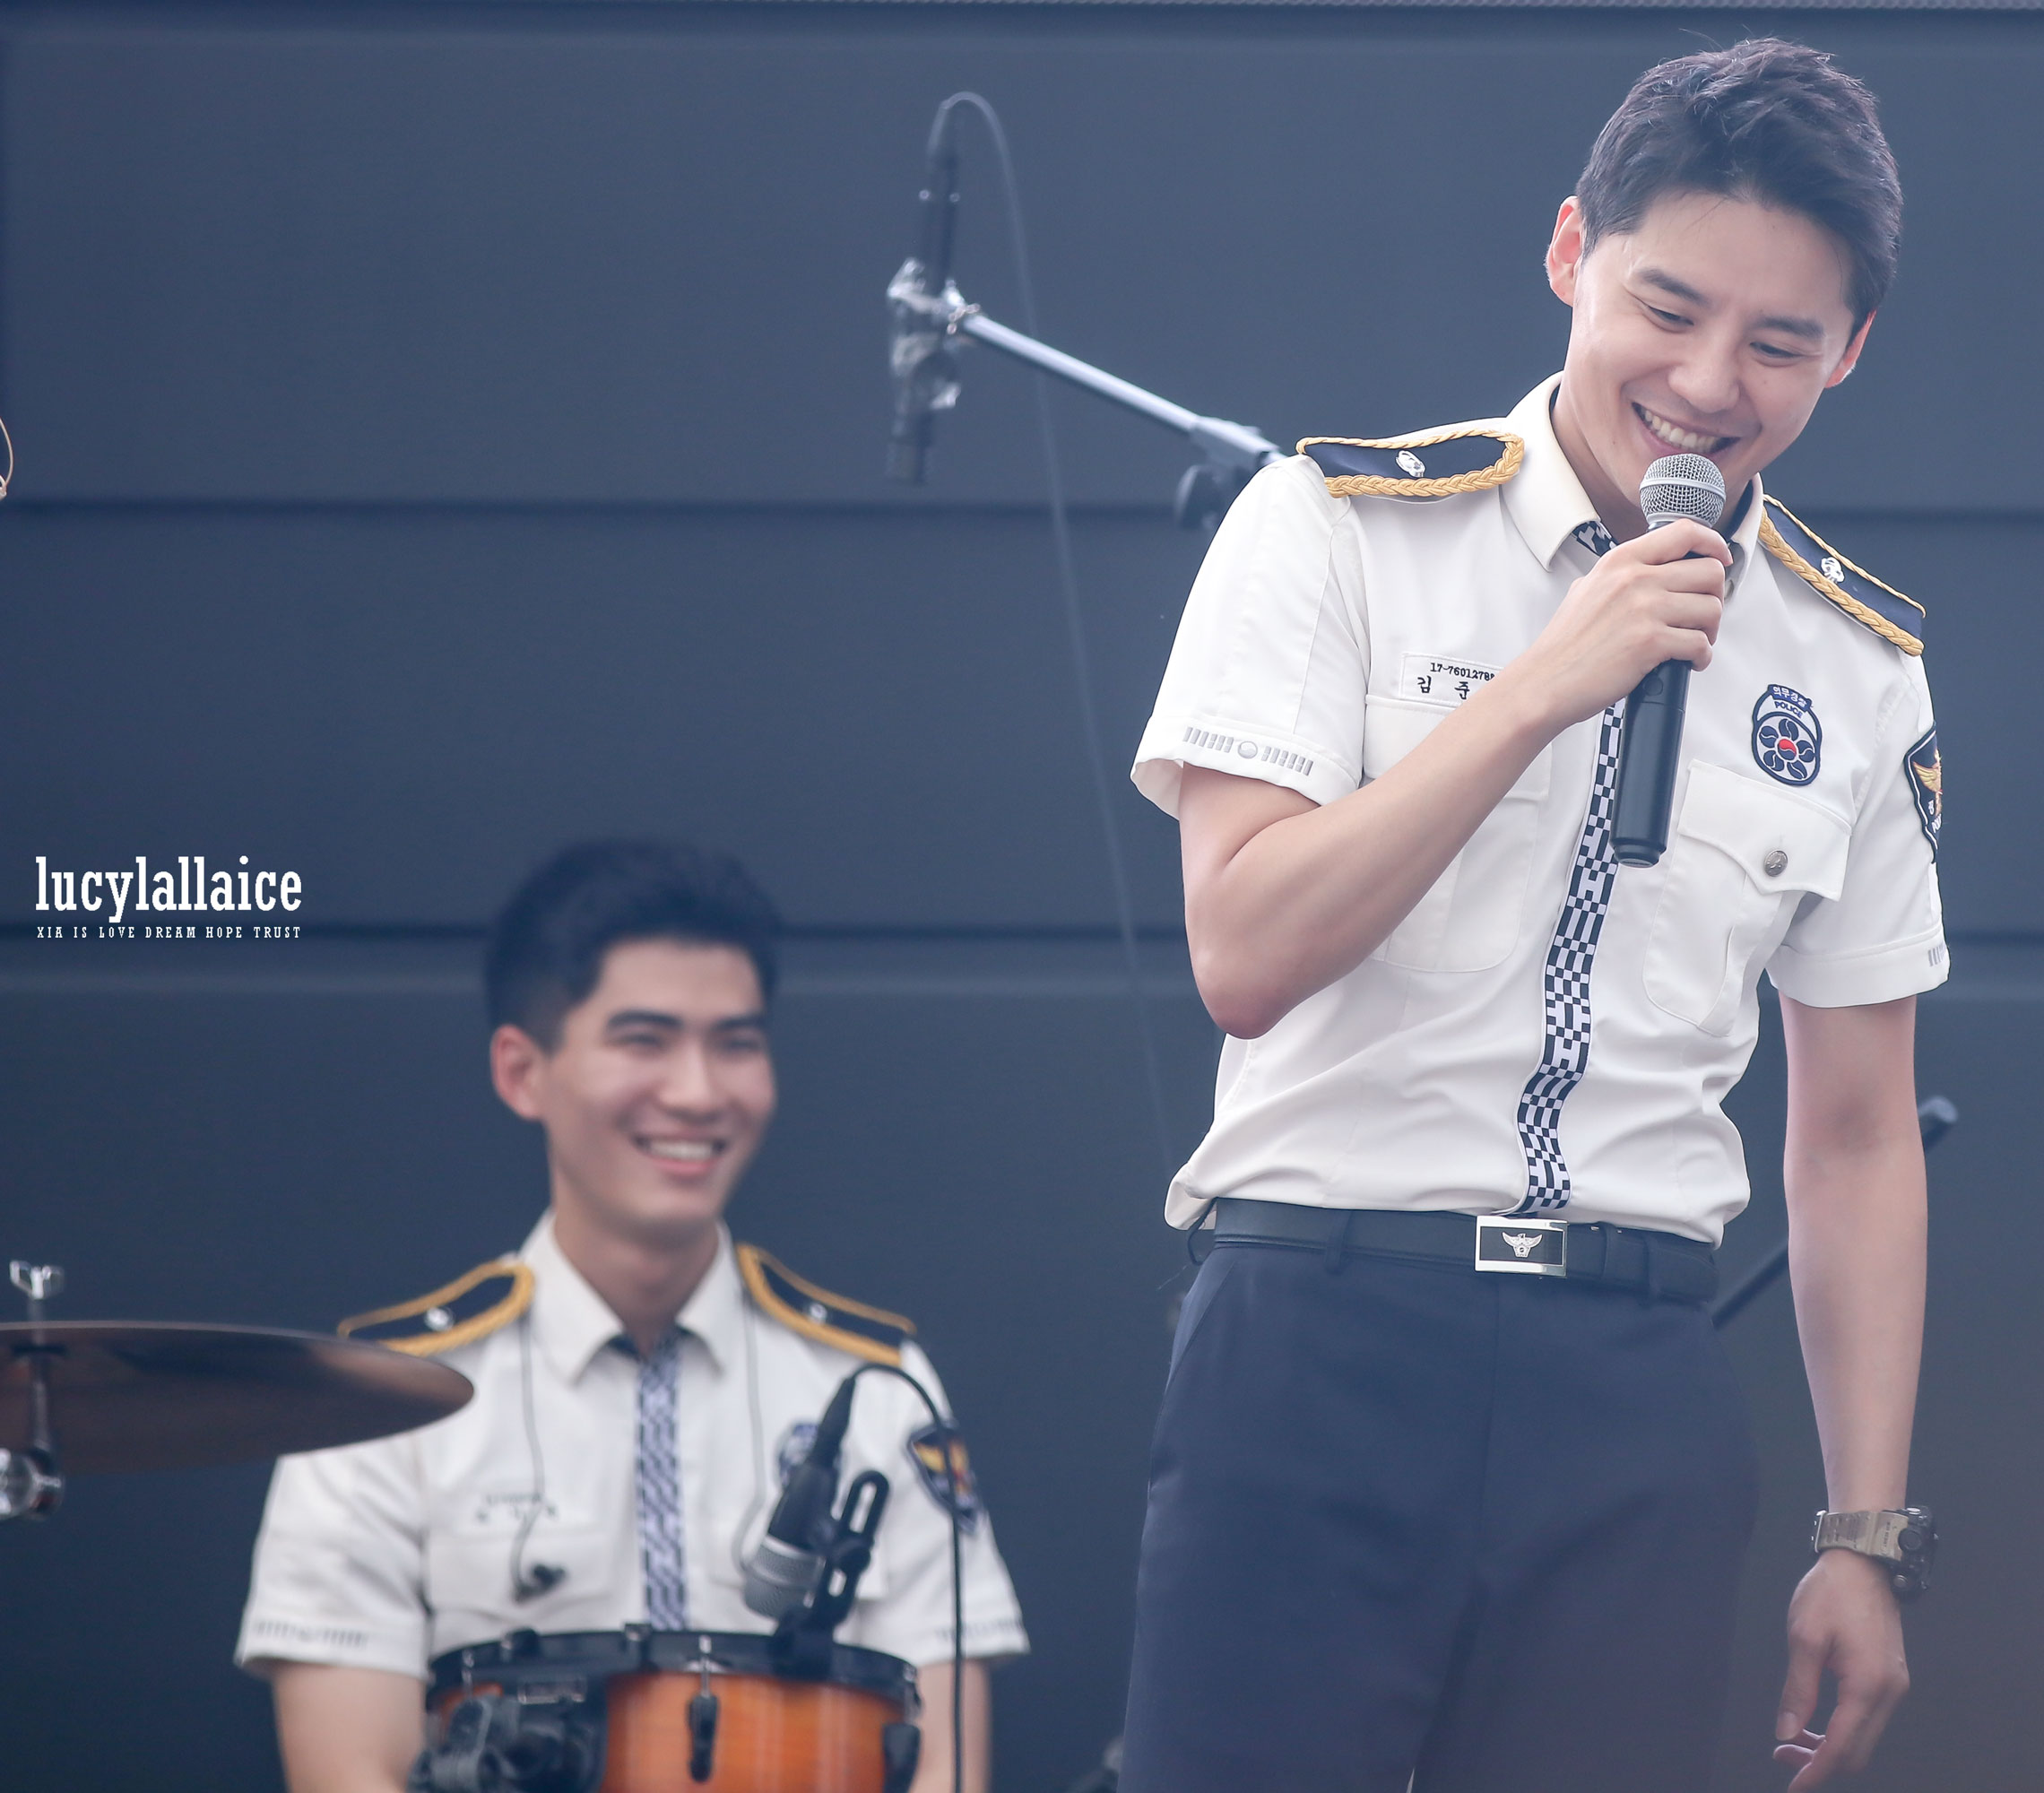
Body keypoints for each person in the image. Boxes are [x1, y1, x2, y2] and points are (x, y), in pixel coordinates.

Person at [1122, 40, 1943, 1793]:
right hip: (1323, 1328)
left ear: (1851, 350)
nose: (1707, 384)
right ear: (1572, 251)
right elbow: (1242, 951)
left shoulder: (1856, 662)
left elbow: (1860, 1133)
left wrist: (1864, 1529)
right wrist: (1539, 690)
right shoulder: (1334, 528)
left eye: (1779, 343)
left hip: (1636, 1375)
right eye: (1669, 309)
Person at [236, 840, 1026, 1793]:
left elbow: (944, 1763)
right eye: (644, 1039)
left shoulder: (876, 1383)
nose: (698, 1091)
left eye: (736, 1042)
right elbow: (350, 1771)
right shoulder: (380, 1398)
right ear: (522, 1071)